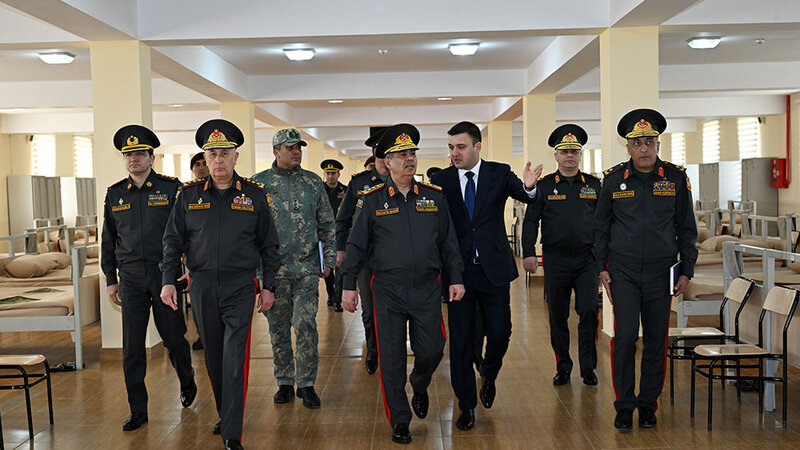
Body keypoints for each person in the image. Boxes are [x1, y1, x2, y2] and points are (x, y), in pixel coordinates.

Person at [340, 123, 465, 444]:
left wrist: (456, 279)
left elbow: (448, 243)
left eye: (412, 154)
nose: (409, 159)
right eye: (402, 155)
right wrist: (348, 285)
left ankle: (420, 383)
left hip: (426, 288)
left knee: (433, 348)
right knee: (391, 357)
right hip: (387, 291)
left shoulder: (434, 198)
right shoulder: (371, 200)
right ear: (387, 162)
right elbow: (355, 245)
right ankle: (400, 419)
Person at [160, 119, 280, 450]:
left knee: (234, 359)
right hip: (201, 287)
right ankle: (225, 414)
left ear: (236, 157)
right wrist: (168, 280)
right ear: (205, 159)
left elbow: (270, 246)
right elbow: (171, 242)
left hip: (240, 286)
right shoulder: (188, 196)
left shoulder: (254, 196)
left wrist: (267, 286)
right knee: (213, 358)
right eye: (212, 154)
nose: (218, 161)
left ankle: (232, 433)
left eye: (224, 153)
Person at [430, 121, 542, 431]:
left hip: (493, 270)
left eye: (461, 147)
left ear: (478, 147)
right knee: (462, 342)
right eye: (451, 147)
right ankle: (466, 405)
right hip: (459, 274)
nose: (455, 153)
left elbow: (525, 194)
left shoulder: (499, 172)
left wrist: (530, 186)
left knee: (500, 333)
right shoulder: (441, 180)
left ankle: (489, 373)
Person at [594, 108, 697, 431]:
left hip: (661, 272)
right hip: (622, 271)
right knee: (624, 337)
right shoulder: (612, 180)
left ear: (657, 145)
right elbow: (600, 229)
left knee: (655, 340)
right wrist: (602, 268)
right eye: (637, 144)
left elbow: (686, 229)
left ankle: (647, 403)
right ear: (628, 148)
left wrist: (686, 270)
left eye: (649, 142)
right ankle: (624, 404)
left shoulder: (675, 178)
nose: (643, 149)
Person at [101, 124, 196, 432]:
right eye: (128, 155)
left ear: (152, 157)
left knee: (173, 338)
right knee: (131, 348)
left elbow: (187, 233)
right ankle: (137, 409)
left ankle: (187, 380)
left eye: (140, 154)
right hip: (129, 279)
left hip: (163, 276)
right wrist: (110, 278)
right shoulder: (115, 194)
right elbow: (108, 239)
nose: (134, 160)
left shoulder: (171, 189)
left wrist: (188, 267)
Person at [251, 128, 336, 409]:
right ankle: (285, 381)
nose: (296, 151)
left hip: (307, 268)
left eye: (298, 147)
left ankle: (307, 383)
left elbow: (326, 223)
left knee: (305, 324)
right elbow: (250, 231)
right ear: (276, 151)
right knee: (277, 328)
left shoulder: (313, 183)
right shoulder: (259, 185)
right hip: (273, 273)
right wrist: (257, 273)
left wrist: (330, 259)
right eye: (289, 148)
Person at [521, 124, 601, 388]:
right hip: (555, 259)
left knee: (589, 310)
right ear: (556, 156)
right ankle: (563, 366)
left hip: (587, 260)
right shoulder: (544, 187)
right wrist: (529, 254)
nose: (570, 156)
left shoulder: (593, 185)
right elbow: (531, 221)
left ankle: (588, 367)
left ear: (580, 155)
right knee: (558, 316)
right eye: (564, 151)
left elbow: (605, 223)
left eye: (574, 151)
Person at [334, 126, 389, 375]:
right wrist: (340, 250)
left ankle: (391, 352)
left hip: (395, 257)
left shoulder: (401, 180)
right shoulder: (360, 183)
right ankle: (374, 351)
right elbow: (343, 219)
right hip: (367, 258)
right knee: (369, 310)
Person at [188, 151, 209, 351]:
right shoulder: (186, 193)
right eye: (197, 164)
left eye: (204, 163)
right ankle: (201, 336)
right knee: (198, 306)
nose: (201, 167)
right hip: (194, 261)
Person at [321, 159, 347, 312]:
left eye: (333, 173)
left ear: (338, 174)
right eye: (328, 173)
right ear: (324, 174)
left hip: (340, 234)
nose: (331, 176)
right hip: (323, 235)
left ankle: (338, 299)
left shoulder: (345, 190)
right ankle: (331, 295)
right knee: (327, 269)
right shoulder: (319, 190)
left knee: (341, 268)